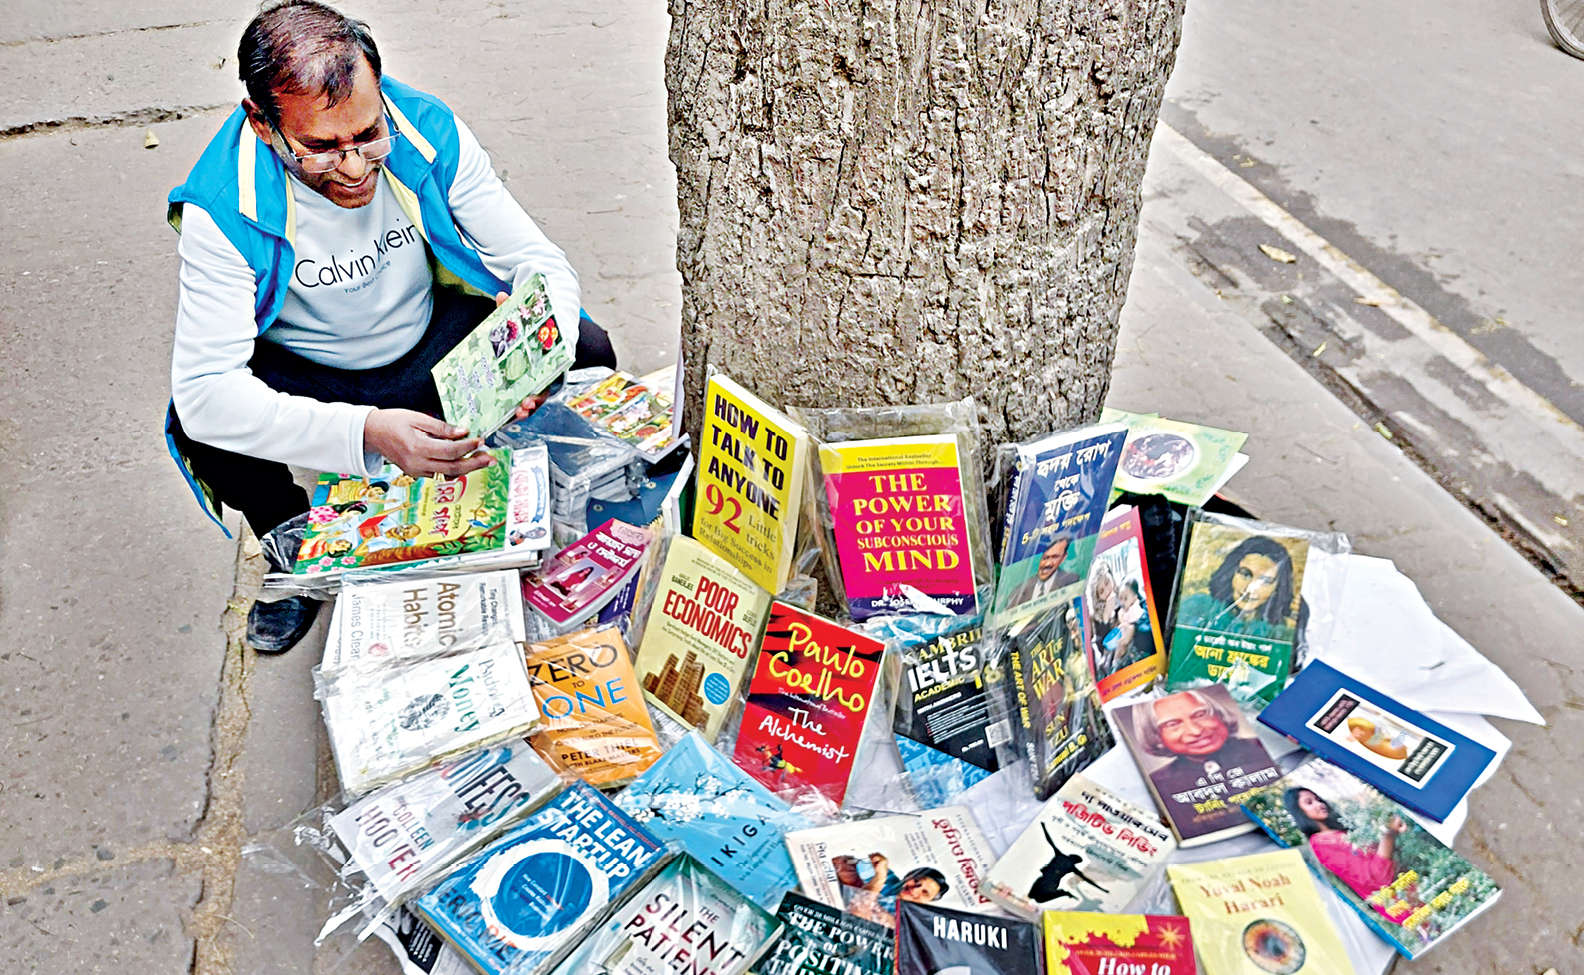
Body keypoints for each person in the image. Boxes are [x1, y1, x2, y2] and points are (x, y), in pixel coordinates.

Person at [166, 1, 615, 653]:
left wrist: (540, 350)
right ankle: (293, 544)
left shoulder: (425, 129)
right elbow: (207, 394)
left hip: (427, 341)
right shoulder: (221, 206)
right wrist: (366, 433)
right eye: (322, 148)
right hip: (312, 373)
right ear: (262, 123)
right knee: (199, 425)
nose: (354, 167)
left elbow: (536, 260)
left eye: (368, 135)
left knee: (586, 345)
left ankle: (544, 504)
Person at [1131, 688, 1275, 826]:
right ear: (1155, 735)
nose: (1196, 730)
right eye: (1172, 724)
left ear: (1220, 715)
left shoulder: (1264, 748)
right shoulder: (1159, 783)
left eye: (1200, 715)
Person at [1283, 786, 1412, 924]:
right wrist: (1389, 834)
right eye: (1309, 802)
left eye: (1318, 799)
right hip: (1400, 903)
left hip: (1410, 888)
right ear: (1299, 812)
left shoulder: (1341, 832)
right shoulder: (1321, 843)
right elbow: (1377, 878)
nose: (1319, 804)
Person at [1175, 535, 1298, 638]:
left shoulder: (1281, 632)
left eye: (1265, 581)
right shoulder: (1197, 608)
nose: (1249, 588)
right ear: (1230, 573)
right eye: (1245, 574)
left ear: (1277, 588)